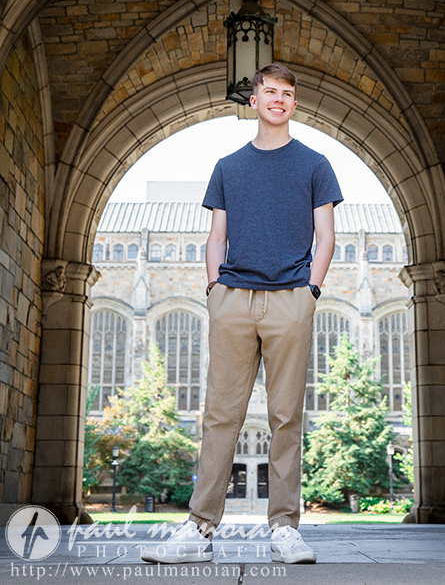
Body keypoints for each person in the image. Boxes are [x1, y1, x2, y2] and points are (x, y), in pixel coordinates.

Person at [141, 63, 343, 565]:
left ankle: (284, 529)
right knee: (220, 416)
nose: (278, 99)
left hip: (290, 299)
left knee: (286, 417)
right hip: (233, 298)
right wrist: (214, 290)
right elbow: (216, 236)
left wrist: (311, 291)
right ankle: (199, 529)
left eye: (287, 93)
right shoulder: (228, 166)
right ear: (253, 100)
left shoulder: (316, 164)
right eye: (269, 91)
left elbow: (327, 236)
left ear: (295, 103)